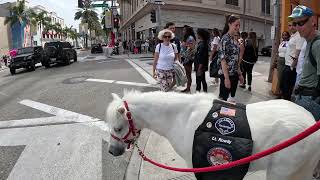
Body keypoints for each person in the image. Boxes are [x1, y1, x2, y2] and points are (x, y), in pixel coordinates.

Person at [289, 5, 320, 121]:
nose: (297, 27)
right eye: (295, 24)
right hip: (304, 97)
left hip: (311, 100)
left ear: (313, 21)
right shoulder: (308, 41)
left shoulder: (317, 44)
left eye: (300, 23)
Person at [217, 14, 244, 102]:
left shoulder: (235, 39)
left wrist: (239, 74)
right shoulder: (225, 39)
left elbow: (235, 59)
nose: (238, 27)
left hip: (234, 74)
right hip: (226, 75)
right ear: (229, 24)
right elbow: (223, 60)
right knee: (223, 100)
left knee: (231, 99)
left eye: (239, 25)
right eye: (236, 25)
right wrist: (227, 78)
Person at [281, 19, 305, 101]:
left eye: (293, 25)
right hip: (287, 64)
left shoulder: (299, 36)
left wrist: (292, 66)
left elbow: (298, 53)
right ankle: (285, 101)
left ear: (297, 26)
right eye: (289, 25)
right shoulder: (293, 36)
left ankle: (286, 103)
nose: (291, 27)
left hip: (291, 66)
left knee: (287, 88)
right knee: (284, 86)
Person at [274, 31, 290, 98]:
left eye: (285, 35)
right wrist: (276, 60)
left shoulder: (289, 43)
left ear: (288, 36)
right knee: (279, 77)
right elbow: (278, 52)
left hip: (285, 61)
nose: (284, 36)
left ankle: (283, 94)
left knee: (284, 78)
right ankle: (280, 92)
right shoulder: (281, 43)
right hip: (279, 61)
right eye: (283, 35)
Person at [180, 25, 196, 93]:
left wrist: (185, 55)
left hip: (188, 58)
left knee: (188, 74)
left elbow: (191, 48)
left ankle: (188, 88)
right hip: (186, 58)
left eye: (184, 30)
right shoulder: (188, 38)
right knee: (187, 74)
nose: (183, 31)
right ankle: (187, 87)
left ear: (187, 31)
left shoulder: (190, 38)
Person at [194, 28, 210, 92]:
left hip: (200, 66)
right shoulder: (202, 43)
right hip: (200, 65)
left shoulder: (203, 45)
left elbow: (202, 58)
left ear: (200, 35)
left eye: (197, 33)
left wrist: (199, 68)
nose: (197, 35)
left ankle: (199, 93)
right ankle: (204, 92)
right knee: (202, 79)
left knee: (199, 80)